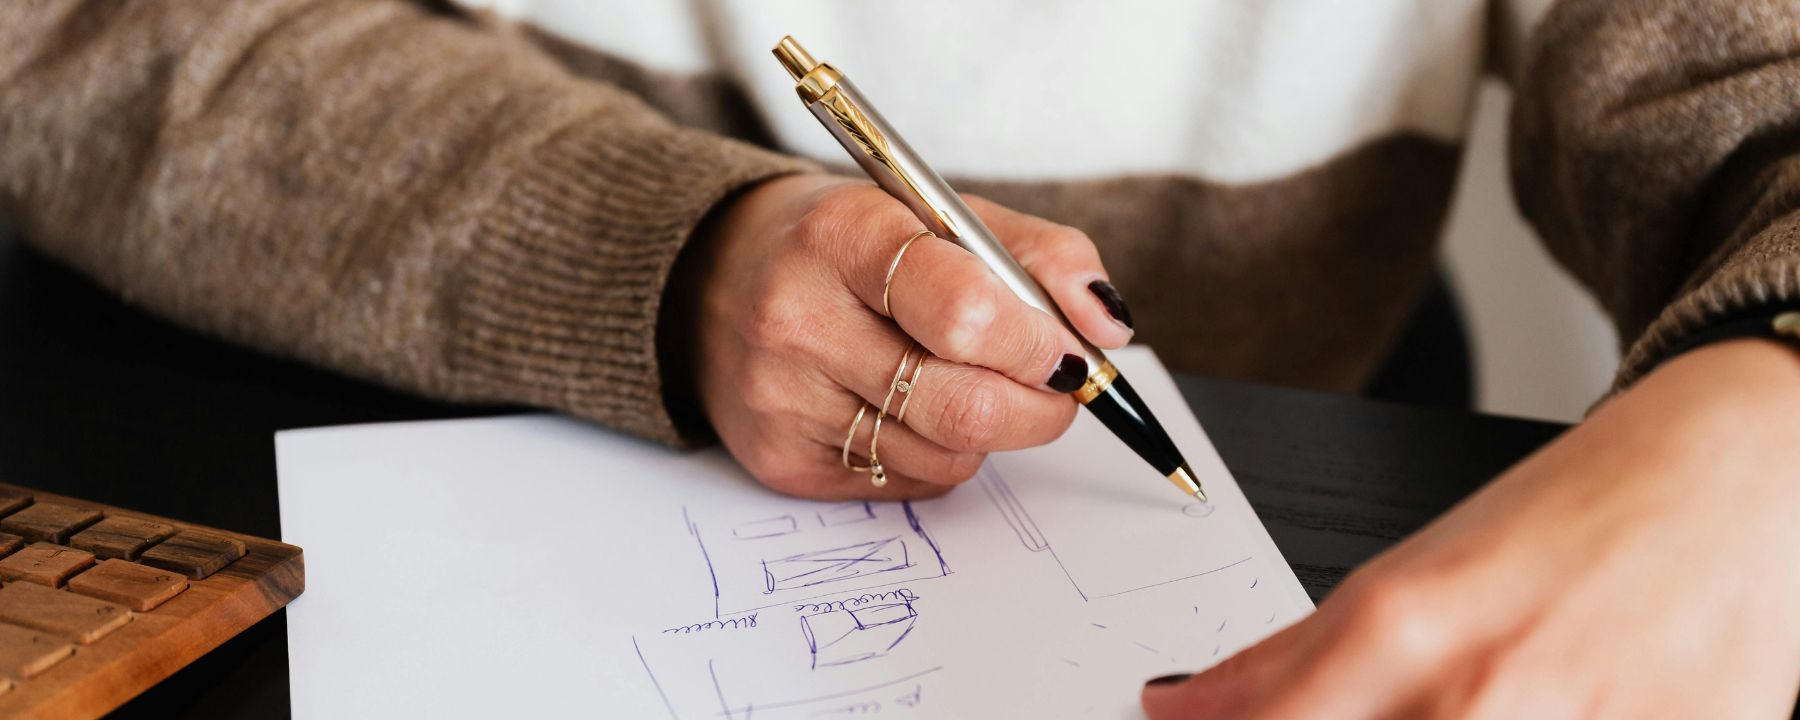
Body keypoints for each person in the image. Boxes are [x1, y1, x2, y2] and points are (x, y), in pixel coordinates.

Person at [3, 1, 1797, 716]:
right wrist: (665, 242)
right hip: (317, 414)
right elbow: (79, 38)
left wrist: (1769, 418)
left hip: (1306, 442)